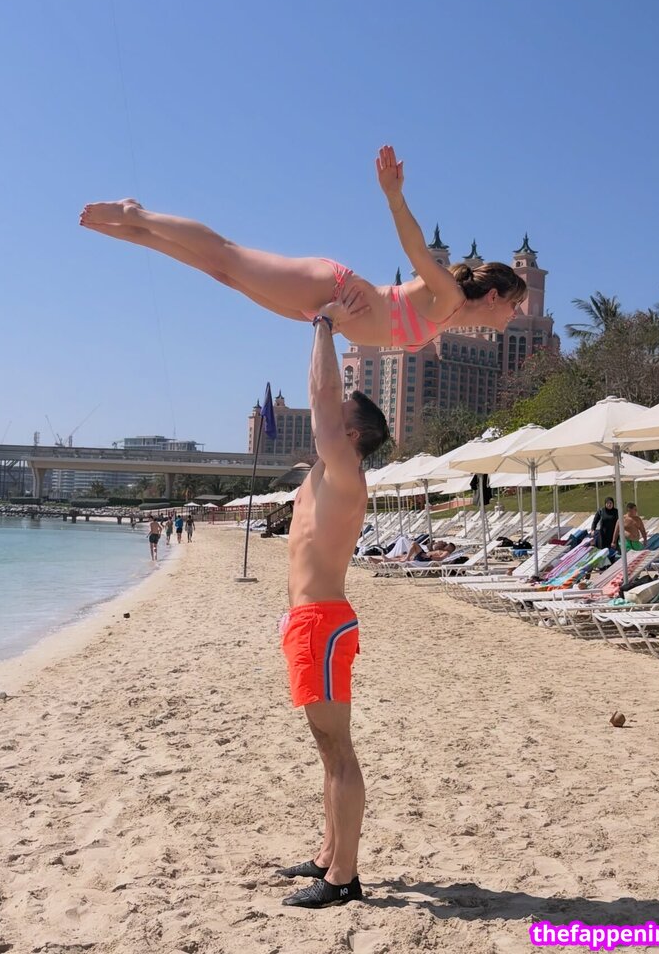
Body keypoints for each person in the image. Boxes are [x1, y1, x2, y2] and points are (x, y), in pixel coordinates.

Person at [79, 146, 526, 353]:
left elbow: (390, 327)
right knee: (227, 255)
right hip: (331, 288)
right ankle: (138, 214)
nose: (514, 314)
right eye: (514, 304)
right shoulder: (449, 296)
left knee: (223, 274)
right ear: (493, 296)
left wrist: (344, 323)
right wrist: (394, 197)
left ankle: (136, 234)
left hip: (327, 314)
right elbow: (417, 253)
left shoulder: (445, 321)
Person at [276, 297, 390, 909]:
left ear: (351, 436)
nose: (325, 417)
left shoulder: (345, 470)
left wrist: (323, 326)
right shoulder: (323, 472)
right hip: (307, 621)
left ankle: (344, 876)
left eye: (336, 417)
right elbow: (323, 404)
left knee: (339, 752)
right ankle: (328, 853)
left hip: (322, 624)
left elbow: (322, 396)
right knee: (327, 750)